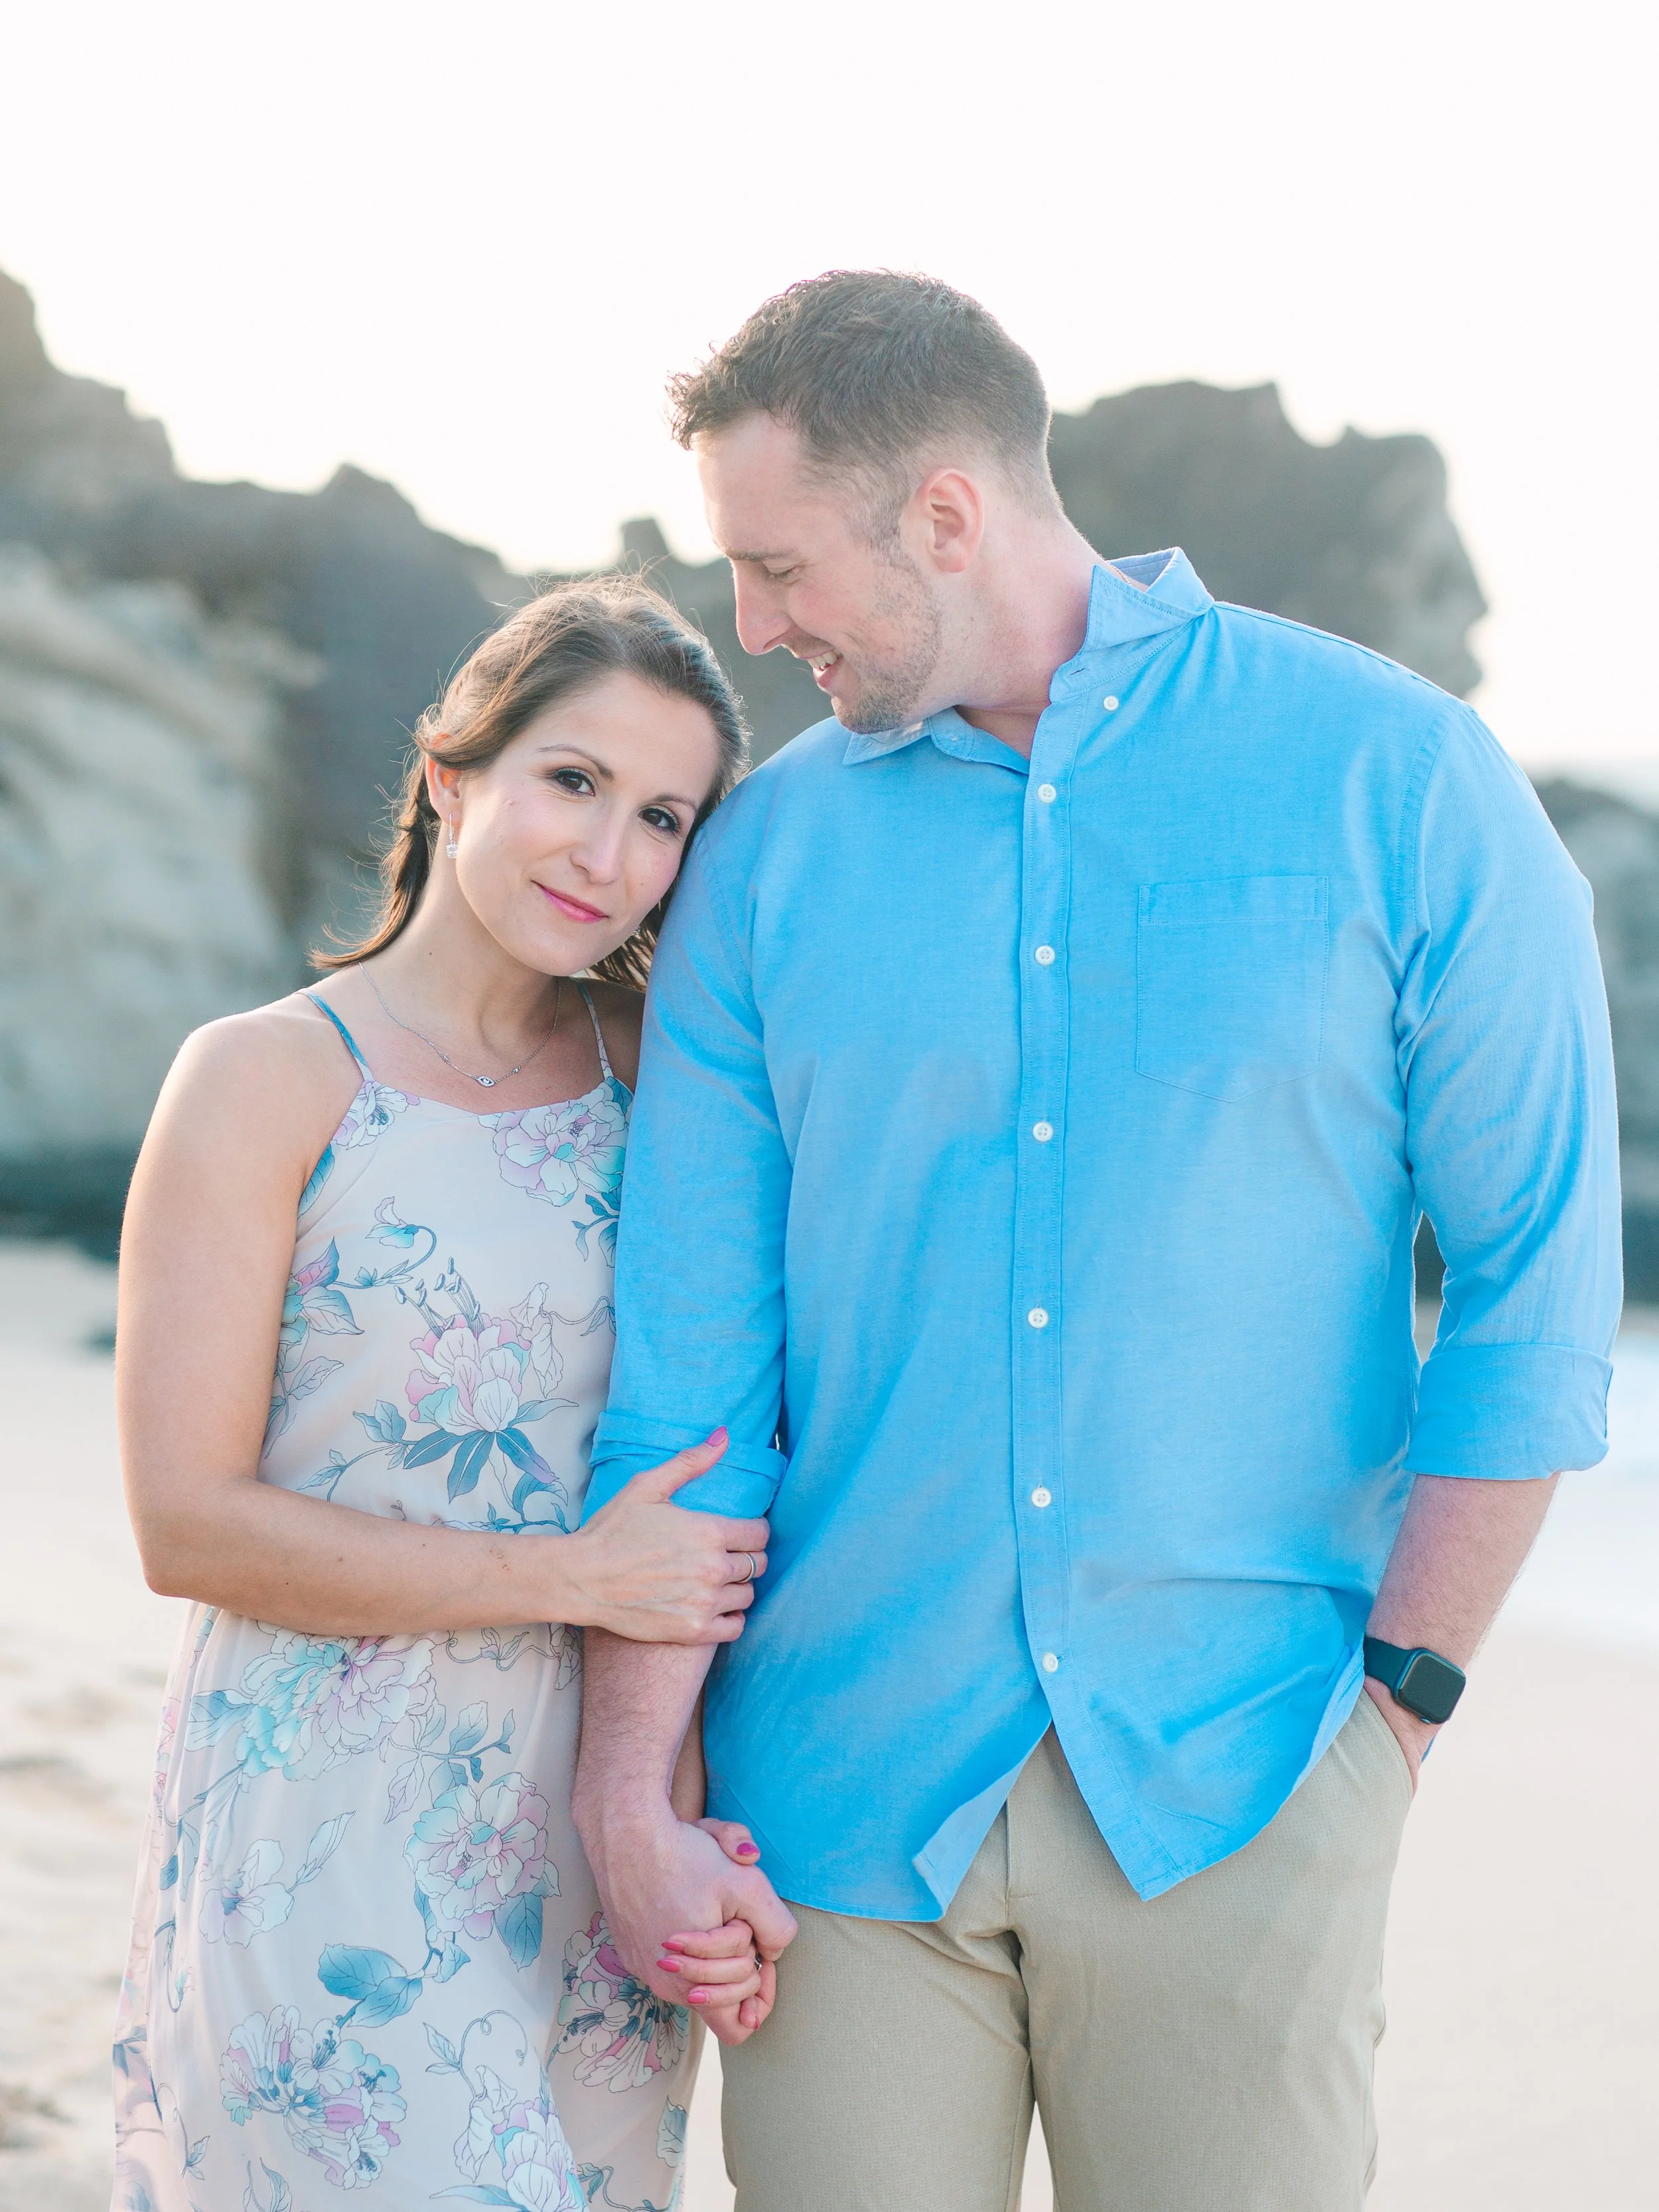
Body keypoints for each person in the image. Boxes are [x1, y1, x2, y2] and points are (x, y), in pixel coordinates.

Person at [571, 273, 1624, 2211]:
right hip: (829, 1809)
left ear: (948, 515)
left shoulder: (1399, 781)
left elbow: (1535, 1291)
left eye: (780, 564)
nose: (754, 624)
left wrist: (1393, 1719)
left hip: (1244, 1776)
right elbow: (693, 1370)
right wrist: (627, 1781)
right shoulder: (767, 858)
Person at [111, 580, 776, 2212]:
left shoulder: (675, 1077)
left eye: (661, 815)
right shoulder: (266, 1074)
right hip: (329, 1821)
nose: (605, 853)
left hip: (605, 1824)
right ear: (450, 773)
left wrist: (702, 1817)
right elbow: (185, 1525)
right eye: (570, 779)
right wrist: (566, 1575)